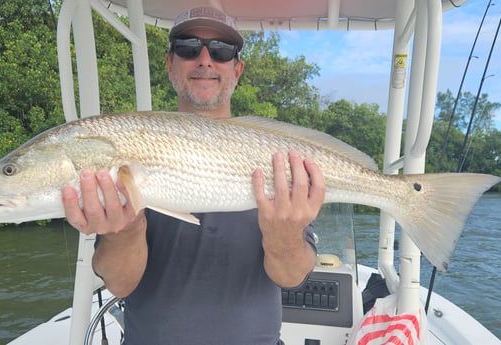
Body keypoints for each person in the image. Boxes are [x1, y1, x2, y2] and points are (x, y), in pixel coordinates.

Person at [61, 6, 325, 345]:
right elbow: (120, 284)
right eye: (188, 47)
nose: (204, 59)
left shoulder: (276, 156)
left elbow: (291, 278)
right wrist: (127, 230)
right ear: (170, 63)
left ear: (237, 68)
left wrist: (285, 237)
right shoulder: (132, 146)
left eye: (221, 51)